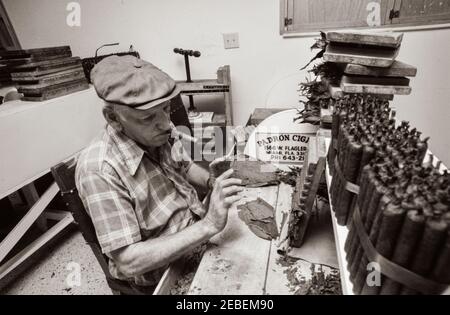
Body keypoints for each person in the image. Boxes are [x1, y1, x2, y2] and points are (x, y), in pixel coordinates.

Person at [75, 55, 243, 293]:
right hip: (163, 271)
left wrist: (211, 181)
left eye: (165, 110)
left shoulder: (159, 130)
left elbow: (185, 167)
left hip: (196, 233)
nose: (166, 124)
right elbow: (128, 261)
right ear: (113, 118)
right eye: (148, 118)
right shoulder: (99, 170)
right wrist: (209, 225)